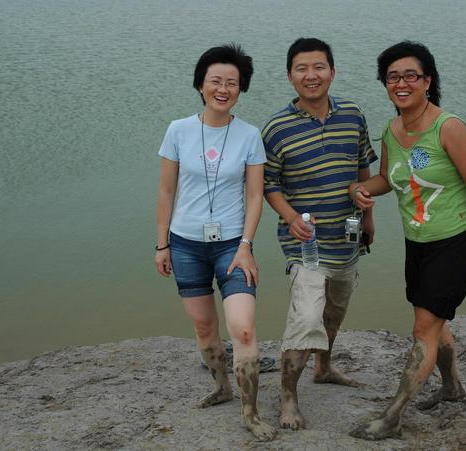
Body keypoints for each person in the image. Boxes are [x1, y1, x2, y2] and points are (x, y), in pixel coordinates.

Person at [348, 41, 466, 440]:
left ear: (427, 81)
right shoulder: (392, 128)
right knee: (434, 322)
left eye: (410, 76)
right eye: (392, 77)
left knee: (424, 326)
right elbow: (388, 178)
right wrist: (359, 188)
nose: (401, 83)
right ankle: (452, 385)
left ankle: (392, 416)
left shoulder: (448, 128)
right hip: (416, 240)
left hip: (454, 239)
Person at [154, 44, 276, 442]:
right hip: (185, 244)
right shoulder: (178, 129)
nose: (223, 89)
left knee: (241, 330)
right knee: (205, 328)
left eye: (232, 83)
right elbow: (167, 191)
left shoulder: (250, 135)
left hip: (232, 246)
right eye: (215, 81)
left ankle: (250, 411)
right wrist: (162, 245)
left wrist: (246, 244)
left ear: (241, 89)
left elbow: (256, 196)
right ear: (201, 85)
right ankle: (221, 386)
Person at [262, 37, 378, 430]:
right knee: (305, 318)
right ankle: (289, 397)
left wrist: (369, 219)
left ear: (333, 71)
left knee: (334, 311)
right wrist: (291, 216)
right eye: (302, 69)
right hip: (305, 244)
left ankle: (323, 368)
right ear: (290, 75)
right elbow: (269, 184)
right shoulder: (277, 128)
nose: (311, 76)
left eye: (319, 67)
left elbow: (363, 169)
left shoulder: (353, 114)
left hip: (346, 238)